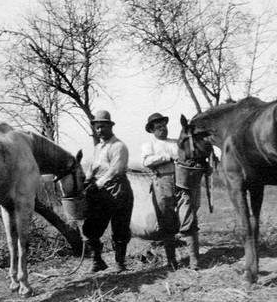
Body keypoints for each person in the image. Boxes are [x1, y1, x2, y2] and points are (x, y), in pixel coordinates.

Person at [141, 112, 202, 270]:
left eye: (164, 126)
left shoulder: (176, 142)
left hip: (182, 181)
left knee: (188, 218)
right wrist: (166, 157)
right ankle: (171, 261)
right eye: (158, 127)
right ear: (152, 130)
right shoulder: (150, 145)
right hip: (162, 183)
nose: (162, 129)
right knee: (166, 222)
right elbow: (147, 161)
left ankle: (195, 260)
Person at [83, 110, 134, 273]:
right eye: (97, 128)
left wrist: (96, 184)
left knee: (119, 228)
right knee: (91, 227)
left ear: (110, 126)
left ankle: (120, 263)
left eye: (103, 127)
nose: (100, 131)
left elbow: (115, 171)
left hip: (118, 190)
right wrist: (86, 182)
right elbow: (92, 168)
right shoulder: (98, 148)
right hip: (101, 192)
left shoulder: (118, 146)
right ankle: (97, 260)